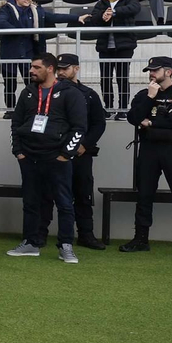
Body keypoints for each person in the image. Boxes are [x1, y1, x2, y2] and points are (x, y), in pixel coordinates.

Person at [6, 54, 86, 264]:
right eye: (31, 67)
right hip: (29, 157)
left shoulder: (71, 93)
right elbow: (16, 123)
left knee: (64, 202)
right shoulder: (27, 92)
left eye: (36, 67)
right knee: (31, 201)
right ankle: (31, 242)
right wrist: (19, 152)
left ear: (50, 69)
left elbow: (79, 128)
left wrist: (65, 154)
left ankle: (66, 246)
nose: (31, 71)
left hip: (56, 157)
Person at [120, 57, 172, 258]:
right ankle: (141, 239)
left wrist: (153, 123)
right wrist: (150, 98)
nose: (152, 73)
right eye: (150, 70)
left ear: (169, 72)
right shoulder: (144, 94)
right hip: (149, 149)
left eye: (156, 70)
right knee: (144, 194)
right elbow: (133, 118)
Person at [55, 54, 108, 251]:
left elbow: (98, 123)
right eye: (58, 68)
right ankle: (39, 235)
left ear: (76, 68)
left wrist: (84, 145)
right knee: (48, 194)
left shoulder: (89, 94)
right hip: (55, 152)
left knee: (83, 194)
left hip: (80, 154)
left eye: (65, 68)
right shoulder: (49, 91)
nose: (61, 72)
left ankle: (86, 234)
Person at [80, 0, 142, 113]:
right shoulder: (102, 1)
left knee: (122, 78)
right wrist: (103, 16)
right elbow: (94, 18)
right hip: (105, 46)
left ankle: (123, 108)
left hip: (124, 45)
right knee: (105, 78)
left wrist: (114, 12)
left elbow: (134, 8)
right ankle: (108, 107)